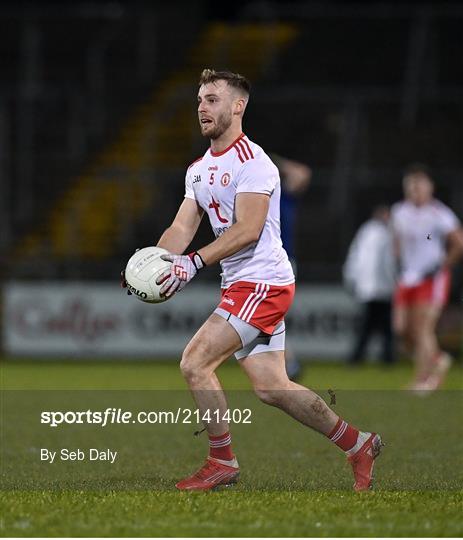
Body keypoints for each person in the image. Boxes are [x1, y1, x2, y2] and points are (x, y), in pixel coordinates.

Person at [123, 69, 382, 491]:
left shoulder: (254, 163)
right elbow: (181, 227)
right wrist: (149, 265)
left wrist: (192, 264)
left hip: (263, 283)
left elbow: (249, 229)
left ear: (237, 106)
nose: (202, 108)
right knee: (272, 387)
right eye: (199, 100)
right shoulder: (198, 169)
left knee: (195, 362)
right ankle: (359, 444)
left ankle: (221, 461)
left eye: (211, 100)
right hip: (243, 284)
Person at [391, 164, 463, 391]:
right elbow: (397, 241)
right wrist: (398, 262)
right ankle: (437, 358)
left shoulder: (439, 213)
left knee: (424, 328)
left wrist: (444, 264)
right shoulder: (399, 211)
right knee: (401, 328)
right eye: (411, 186)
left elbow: (458, 242)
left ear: (429, 188)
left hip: (431, 278)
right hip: (407, 277)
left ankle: (424, 378)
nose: (415, 190)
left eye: (419, 185)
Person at [272, 154, 312, 380]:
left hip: (281, 262)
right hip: (264, 264)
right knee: (272, 318)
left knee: (272, 317)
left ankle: (287, 364)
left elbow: (303, 173)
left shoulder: (282, 195)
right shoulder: (256, 196)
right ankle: (287, 364)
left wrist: (276, 161)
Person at [343, 205, 396, 365]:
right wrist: (352, 277)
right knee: (371, 326)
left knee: (380, 326)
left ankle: (382, 357)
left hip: (383, 288)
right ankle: (364, 357)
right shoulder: (370, 231)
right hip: (373, 288)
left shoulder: (388, 232)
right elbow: (357, 257)